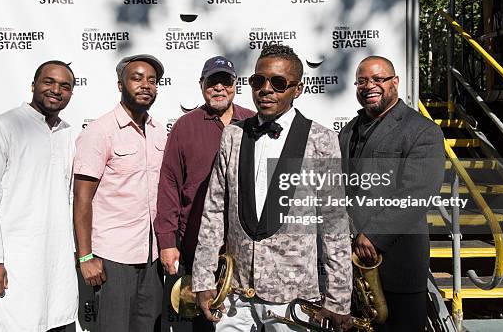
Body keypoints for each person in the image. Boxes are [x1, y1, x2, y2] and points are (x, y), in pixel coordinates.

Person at [192, 44, 353, 332]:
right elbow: (213, 210)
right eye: (258, 81)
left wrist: (338, 299)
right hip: (235, 295)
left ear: (298, 89)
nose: (266, 89)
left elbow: (334, 224)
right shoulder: (232, 135)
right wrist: (203, 279)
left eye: (278, 83)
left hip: (294, 299)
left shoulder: (321, 139)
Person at [0, 60, 79, 332]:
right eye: (48, 82)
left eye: (65, 86)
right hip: (12, 262)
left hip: (55, 265)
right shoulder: (3, 126)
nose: (56, 90)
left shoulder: (67, 133)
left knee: (54, 320)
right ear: (33, 85)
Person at [338, 56, 445, 332]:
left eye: (378, 79)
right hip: (353, 272)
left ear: (395, 82)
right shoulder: (349, 129)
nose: (369, 86)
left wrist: (374, 235)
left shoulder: (422, 130)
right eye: (362, 81)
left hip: (399, 268)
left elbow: (419, 193)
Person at [155, 56, 254, 330]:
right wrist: (166, 241)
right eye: (213, 82)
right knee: (206, 321)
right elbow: (169, 185)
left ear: (236, 85)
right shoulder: (185, 127)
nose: (219, 88)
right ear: (202, 85)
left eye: (226, 81)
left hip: (247, 248)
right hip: (198, 248)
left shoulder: (253, 122)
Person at [73, 54, 166, 332]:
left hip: (151, 256)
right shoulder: (100, 131)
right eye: (137, 78)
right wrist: (86, 257)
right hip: (113, 257)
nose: (145, 85)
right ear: (120, 85)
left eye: (152, 80)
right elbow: (81, 199)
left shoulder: (159, 131)